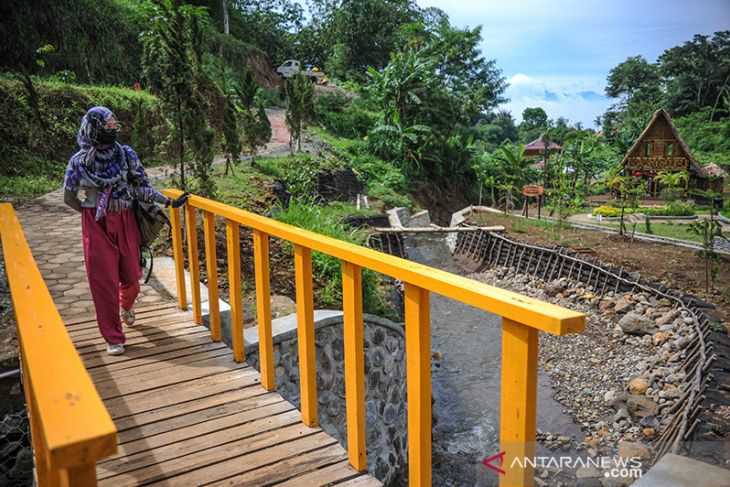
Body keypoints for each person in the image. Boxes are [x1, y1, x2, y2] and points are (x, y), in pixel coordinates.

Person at [63, 106, 189, 355]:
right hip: (96, 224)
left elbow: (142, 187)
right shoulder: (78, 162)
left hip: (126, 219)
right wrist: (91, 213)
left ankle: (126, 304)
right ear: (93, 128)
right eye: (106, 126)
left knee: (132, 277)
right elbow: (69, 196)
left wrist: (168, 201)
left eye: (114, 125)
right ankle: (113, 338)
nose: (112, 130)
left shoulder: (126, 155)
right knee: (103, 282)